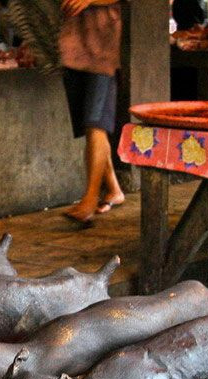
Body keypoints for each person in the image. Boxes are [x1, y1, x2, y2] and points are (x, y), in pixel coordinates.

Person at [60, 0, 125, 223]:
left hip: (103, 47)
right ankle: (114, 190)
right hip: (72, 44)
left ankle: (89, 198)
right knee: (91, 128)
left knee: (95, 124)